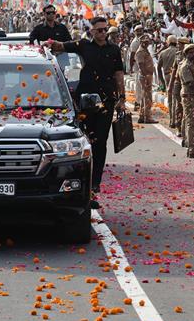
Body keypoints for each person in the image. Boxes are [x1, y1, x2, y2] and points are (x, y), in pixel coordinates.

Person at [45, 17, 126, 198]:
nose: (103, 33)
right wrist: (47, 43)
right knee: (87, 140)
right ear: (91, 32)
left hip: (107, 100)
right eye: (99, 30)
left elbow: (119, 73)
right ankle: (84, 179)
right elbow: (60, 46)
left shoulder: (114, 50)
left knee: (101, 142)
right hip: (85, 101)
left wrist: (122, 98)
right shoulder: (83, 45)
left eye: (105, 30)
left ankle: (96, 182)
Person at [178, 43, 194, 158]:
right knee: (191, 122)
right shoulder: (185, 66)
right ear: (186, 54)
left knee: (187, 120)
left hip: (191, 95)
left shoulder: (192, 65)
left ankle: (187, 142)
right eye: (191, 52)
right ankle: (192, 149)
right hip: (189, 95)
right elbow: (190, 83)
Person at [135, 35, 156, 124]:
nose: (147, 44)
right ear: (141, 42)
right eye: (145, 42)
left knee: (145, 96)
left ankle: (142, 115)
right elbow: (141, 65)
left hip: (147, 75)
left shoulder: (145, 50)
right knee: (147, 97)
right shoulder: (140, 52)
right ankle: (147, 117)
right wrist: (146, 76)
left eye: (147, 42)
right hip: (145, 76)